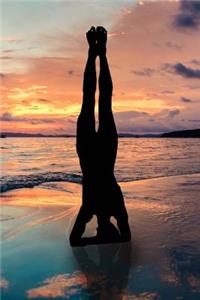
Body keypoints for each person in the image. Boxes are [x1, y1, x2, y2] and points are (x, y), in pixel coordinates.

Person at [69, 26, 131, 246]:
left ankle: (97, 53)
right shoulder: (89, 209)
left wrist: (102, 238)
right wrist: (99, 239)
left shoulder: (113, 208)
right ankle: (97, 53)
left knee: (99, 101)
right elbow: (75, 241)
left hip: (100, 151)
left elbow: (125, 237)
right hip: (95, 152)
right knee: (97, 101)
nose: (96, 226)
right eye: (99, 229)